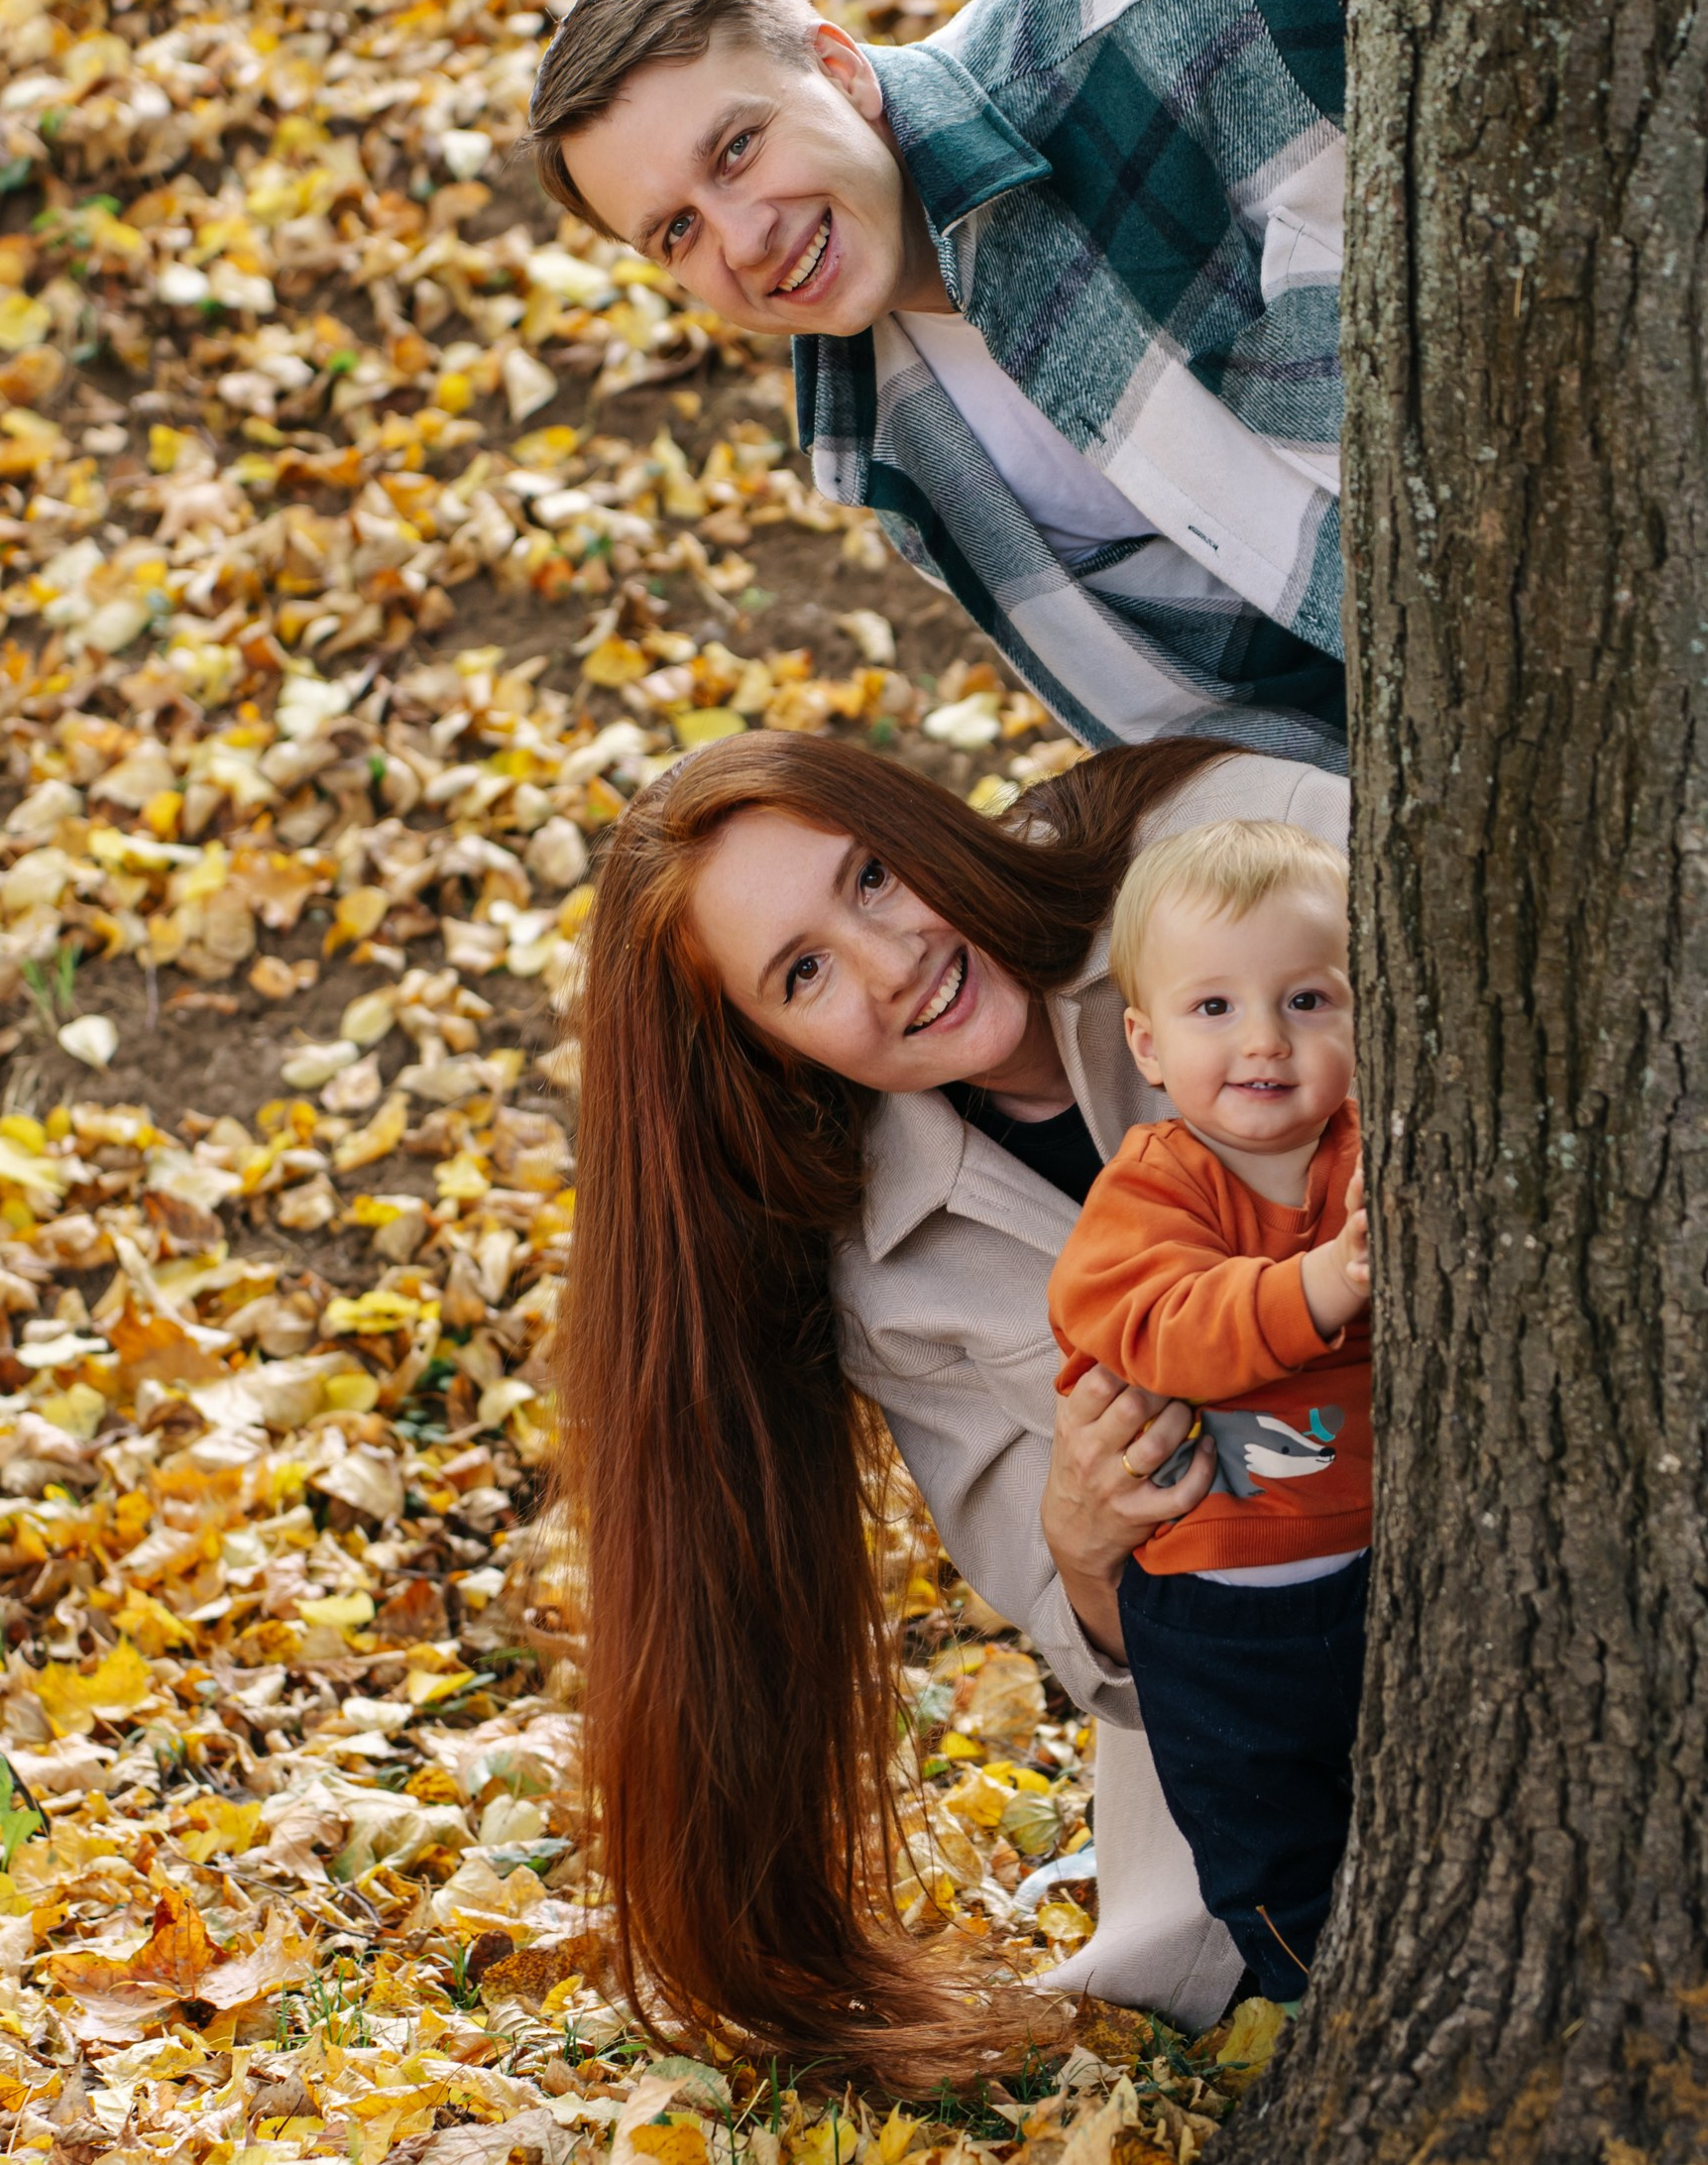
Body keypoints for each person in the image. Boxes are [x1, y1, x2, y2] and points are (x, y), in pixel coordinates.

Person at [557, 730, 1347, 2075]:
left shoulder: (1227, 844)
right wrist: (1088, 1537)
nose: (891, 963)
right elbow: (1099, 1664)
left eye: (872, 879)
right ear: (765, 1045)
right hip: (1276, 1697)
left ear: (916, 822)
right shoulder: (886, 1273)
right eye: (803, 974)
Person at [523, 0, 1351, 767]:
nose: (743, 241)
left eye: (736, 150)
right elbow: (1218, 720)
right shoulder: (898, 445)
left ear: (839, 71)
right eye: (677, 231)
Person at [1048, 822, 1369, 2000]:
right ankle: (1314, 2008)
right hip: (1217, 1619)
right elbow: (1165, 1328)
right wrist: (1319, 1285)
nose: (1265, 1041)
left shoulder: (1359, 1155)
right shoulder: (1150, 1186)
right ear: (1145, 1039)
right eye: (1214, 1008)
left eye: (1303, 998)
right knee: (1271, 1853)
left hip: (1384, 1573)